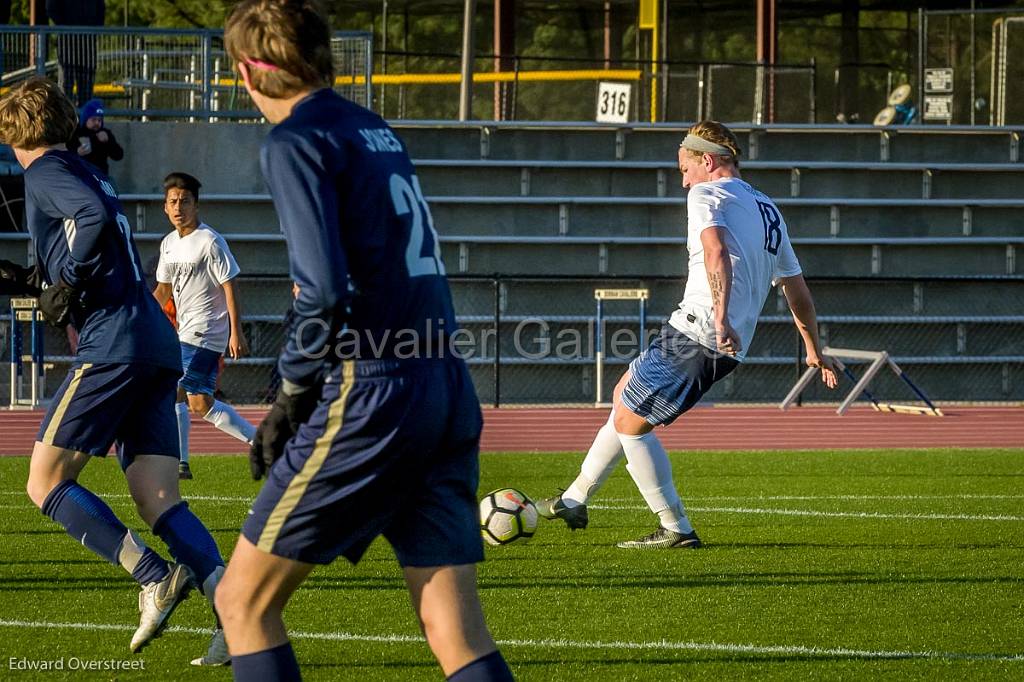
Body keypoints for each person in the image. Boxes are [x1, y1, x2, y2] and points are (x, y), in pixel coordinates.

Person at [214, 2, 513, 681]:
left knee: (241, 601)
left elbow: (322, 289)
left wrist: (291, 388)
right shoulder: (373, 127)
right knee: (453, 628)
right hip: (442, 380)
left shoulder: (295, 139)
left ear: (246, 71)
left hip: (376, 388)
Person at [0, 76, 229, 666]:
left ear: (12, 130)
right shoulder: (84, 167)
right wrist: (40, 281)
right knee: (158, 499)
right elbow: (92, 228)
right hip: (153, 340)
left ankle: (154, 576)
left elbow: (91, 221)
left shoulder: (45, 171)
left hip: (114, 343)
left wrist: (67, 284)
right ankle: (238, 616)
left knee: (44, 481)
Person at [537, 121, 839, 548]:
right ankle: (575, 497)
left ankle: (675, 528)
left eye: (685, 169)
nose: (683, 181)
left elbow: (715, 251)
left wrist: (719, 317)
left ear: (708, 161)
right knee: (625, 392)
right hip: (717, 338)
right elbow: (797, 287)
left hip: (701, 332)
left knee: (630, 423)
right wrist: (812, 347)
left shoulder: (706, 194)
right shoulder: (767, 207)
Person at [152, 171, 255, 480]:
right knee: (201, 403)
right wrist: (139, 315)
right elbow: (162, 291)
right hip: (184, 331)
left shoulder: (210, 241)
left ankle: (180, 463)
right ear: (165, 207)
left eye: (185, 201)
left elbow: (230, 285)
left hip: (207, 330)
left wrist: (236, 331)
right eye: (173, 201)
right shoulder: (169, 243)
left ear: (196, 205)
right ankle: (263, 444)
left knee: (173, 390)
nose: (178, 207)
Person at [46, 0, 104, 107]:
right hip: (67, 39)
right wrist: (64, 27)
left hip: (88, 40)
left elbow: (101, 8)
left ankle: (84, 120)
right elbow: (51, 8)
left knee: (86, 86)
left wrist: (96, 29)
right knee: (66, 84)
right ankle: (65, 118)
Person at [67, 99, 124, 176]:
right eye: (93, 120)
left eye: (99, 120)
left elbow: (118, 155)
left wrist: (108, 141)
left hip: (100, 176)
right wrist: (77, 152)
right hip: (81, 176)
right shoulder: (76, 133)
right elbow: (66, 154)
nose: (97, 123)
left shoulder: (105, 133)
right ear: (86, 119)